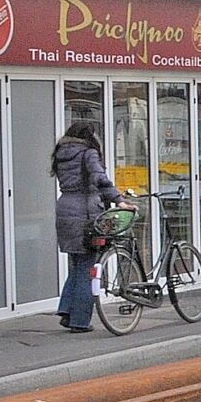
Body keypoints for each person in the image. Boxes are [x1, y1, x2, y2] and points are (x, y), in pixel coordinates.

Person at [52, 121, 118, 330]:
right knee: (88, 267)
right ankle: (80, 321)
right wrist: (119, 199)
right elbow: (100, 179)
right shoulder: (88, 153)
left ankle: (67, 310)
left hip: (65, 210)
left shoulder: (61, 152)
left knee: (76, 265)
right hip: (85, 212)